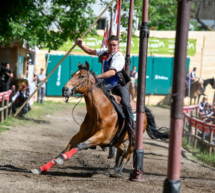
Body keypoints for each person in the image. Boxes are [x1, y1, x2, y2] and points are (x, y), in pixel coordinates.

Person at [76, 35, 135, 132]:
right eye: (111, 45)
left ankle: (132, 128)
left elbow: (112, 72)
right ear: (107, 45)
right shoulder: (105, 51)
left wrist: (96, 77)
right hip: (105, 84)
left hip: (118, 85)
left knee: (126, 103)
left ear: (118, 45)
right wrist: (80, 45)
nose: (112, 47)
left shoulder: (119, 56)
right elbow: (90, 51)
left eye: (114, 45)